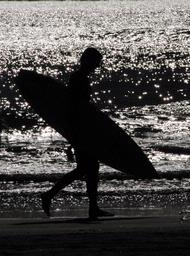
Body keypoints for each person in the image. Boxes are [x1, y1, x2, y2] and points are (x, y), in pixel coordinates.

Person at [40, 47, 114, 219]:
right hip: (81, 130)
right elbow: (74, 107)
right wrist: (74, 136)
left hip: (83, 129)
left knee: (89, 168)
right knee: (87, 168)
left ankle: (92, 207)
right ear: (89, 61)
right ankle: (50, 195)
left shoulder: (80, 78)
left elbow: (81, 107)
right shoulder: (78, 78)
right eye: (97, 61)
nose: (98, 65)